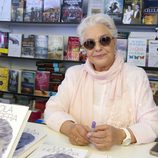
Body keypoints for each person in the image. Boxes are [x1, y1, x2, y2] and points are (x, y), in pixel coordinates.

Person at [44, 14, 158, 150]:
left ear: (114, 41)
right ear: (84, 49)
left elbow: (152, 123)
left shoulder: (136, 76)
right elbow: (52, 109)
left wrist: (120, 135)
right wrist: (70, 128)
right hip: (78, 152)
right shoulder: (74, 74)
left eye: (104, 40)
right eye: (90, 43)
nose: (97, 48)